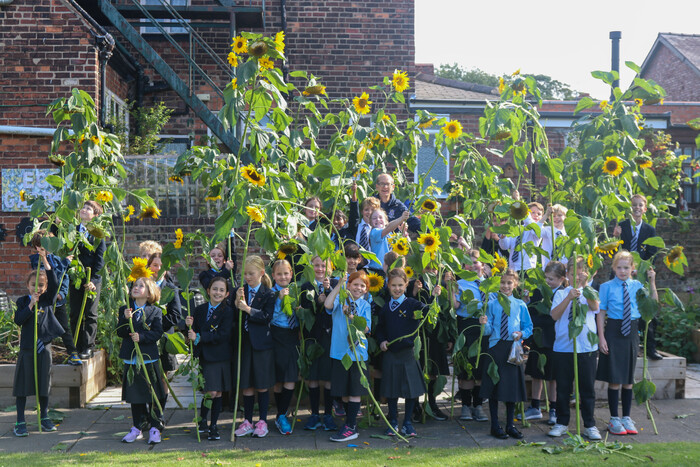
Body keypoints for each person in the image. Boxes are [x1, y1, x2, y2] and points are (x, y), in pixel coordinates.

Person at [596, 250, 657, 436]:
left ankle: (626, 417)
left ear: (633, 269)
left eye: (626, 267)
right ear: (614, 268)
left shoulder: (638, 285)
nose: (623, 271)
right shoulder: (606, 287)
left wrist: (652, 281)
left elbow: (653, 305)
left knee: (628, 380)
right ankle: (614, 419)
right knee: (615, 379)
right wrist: (601, 337)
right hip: (613, 332)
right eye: (619, 267)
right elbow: (601, 312)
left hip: (631, 332)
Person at [377, 268, 438, 437]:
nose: (397, 289)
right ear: (388, 286)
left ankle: (408, 423)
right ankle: (393, 421)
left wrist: (434, 296)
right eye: (393, 285)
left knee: (411, 389)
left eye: (400, 285)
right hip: (391, 353)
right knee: (391, 390)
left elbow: (428, 312)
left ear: (406, 285)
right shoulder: (385, 308)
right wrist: (382, 341)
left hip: (408, 353)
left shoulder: (412, 304)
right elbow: (380, 328)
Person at [548, 257, 602, 440]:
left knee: (587, 388)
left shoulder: (591, 291)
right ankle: (562, 422)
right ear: (566, 276)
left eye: (580, 272)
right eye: (572, 273)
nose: (576, 276)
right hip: (564, 347)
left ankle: (589, 424)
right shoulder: (560, 293)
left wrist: (584, 287)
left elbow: (595, 307)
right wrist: (569, 297)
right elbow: (554, 316)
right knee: (563, 387)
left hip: (586, 347)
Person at [13, 258, 65, 437]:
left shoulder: (47, 301)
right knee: (22, 385)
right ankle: (20, 420)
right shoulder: (22, 301)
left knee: (43, 384)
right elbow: (19, 320)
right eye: (34, 285)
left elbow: (55, 281)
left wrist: (44, 259)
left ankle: (44, 416)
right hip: (27, 349)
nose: (37, 288)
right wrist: (30, 305)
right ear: (27, 285)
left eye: (41, 285)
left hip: (44, 349)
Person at [479, 269, 533, 439]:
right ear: (498, 284)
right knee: (494, 386)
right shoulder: (492, 304)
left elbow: (528, 327)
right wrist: (483, 323)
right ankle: (495, 425)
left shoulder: (520, 305)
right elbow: (488, 331)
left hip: (513, 349)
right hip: (496, 347)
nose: (505, 286)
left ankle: (510, 425)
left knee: (511, 388)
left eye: (509, 283)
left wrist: (521, 334)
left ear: (515, 284)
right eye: (502, 282)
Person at [324, 271, 372, 442]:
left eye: (362, 285)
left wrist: (351, 316)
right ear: (349, 285)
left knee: (354, 391)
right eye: (355, 284)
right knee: (343, 392)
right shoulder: (340, 300)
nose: (358, 288)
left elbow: (366, 329)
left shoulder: (365, 306)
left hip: (357, 355)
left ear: (366, 290)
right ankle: (349, 424)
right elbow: (328, 305)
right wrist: (338, 285)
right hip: (339, 352)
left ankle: (351, 426)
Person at [613, 194, 662, 360]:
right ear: (630, 208)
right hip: (622, 274)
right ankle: (621, 347)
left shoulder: (649, 230)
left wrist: (640, 267)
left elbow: (652, 254)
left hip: (640, 276)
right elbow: (614, 252)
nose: (637, 208)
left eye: (640, 205)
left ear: (645, 209)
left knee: (647, 311)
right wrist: (615, 237)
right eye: (634, 205)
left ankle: (650, 348)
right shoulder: (622, 226)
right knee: (621, 309)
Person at [117, 277, 165, 444]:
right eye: (134, 285)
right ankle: (137, 426)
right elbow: (120, 332)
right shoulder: (125, 309)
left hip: (148, 358)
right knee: (135, 394)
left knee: (153, 392)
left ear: (149, 292)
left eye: (140, 286)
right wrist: (125, 319)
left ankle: (155, 427)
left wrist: (142, 336)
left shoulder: (155, 312)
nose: (136, 288)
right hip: (131, 358)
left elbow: (158, 332)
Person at [233, 256, 276, 439]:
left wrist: (248, 309)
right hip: (244, 343)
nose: (247, 277)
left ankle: (262, 421)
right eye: (245, 274)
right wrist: (236, 304)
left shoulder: (269, 294)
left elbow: (267, 317)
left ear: (261, 273)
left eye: (251, 274)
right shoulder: (239, 291)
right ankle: (247, 421)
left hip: (261, 345)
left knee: (261, 384)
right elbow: (234, 317)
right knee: (247, 384)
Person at [186, 276, 232, 441]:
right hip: (205, 356)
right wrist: (189, 326)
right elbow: (194, 332)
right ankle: (205, 421)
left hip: (220, 356)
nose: (217, 292)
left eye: (221, 290)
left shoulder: (227, 311)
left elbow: (223, 334)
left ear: (227, 294)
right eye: (215, 289)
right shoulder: (200, 310)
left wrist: (199, 337)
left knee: (216, 392)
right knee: (210, 391)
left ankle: (211, 424)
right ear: (208, 291)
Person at [522, 261, 566, 425]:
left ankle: (553, 408)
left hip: (555, 339)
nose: (548, 281)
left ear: (561, 279)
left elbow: (555, 317)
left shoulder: (562, 294)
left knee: (552, 376)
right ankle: (535, 406)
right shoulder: (538, 292)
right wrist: (527, 302)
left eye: (551, 279)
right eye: (546, 278)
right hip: (538, 338)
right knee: (536, 373)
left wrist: (541, 319)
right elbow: (531, 312)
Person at [28, 230, 80, 365]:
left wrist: (62, 294)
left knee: (63, 328)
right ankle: (40, 355)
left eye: (48, 247)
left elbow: (62, 278)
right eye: (41, 247)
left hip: (57, 302)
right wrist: (65, 263)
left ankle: (73, 353)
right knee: (40, 328)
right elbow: (51, 274)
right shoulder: (35, 261)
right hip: (44, 302)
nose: (45, 250)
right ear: (36, 248)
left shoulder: (55, 258)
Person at [408, 265, 451, 422]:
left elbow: (446, 313)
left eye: (435, 269)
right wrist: (415, 292)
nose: (432, 272)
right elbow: (412, 309)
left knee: (433, 371)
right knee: (417, 370)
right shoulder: (415, 284)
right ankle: (415, 407)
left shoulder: (443, 287)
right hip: (419, 334)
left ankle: (432, 404)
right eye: (428, 268)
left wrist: (448, 337)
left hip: (435, 336)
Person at [301, 256, 338, 431]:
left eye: (323, 265)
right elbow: (306, 308)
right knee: (313, 377)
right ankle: (314, 414)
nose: (320, 269)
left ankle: (328, 415)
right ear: (311, 267)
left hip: (329, 336)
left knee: (329, 377)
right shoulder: (306, 286)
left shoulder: (335, 283)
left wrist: (329, 290)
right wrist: (317, 301)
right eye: (316, 265)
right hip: (312, 336)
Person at [452, 249, 489, 422]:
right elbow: (455, 305)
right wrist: (450, 289)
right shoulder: (460, 283)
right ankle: (466, 406)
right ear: (463, 265)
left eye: (475, 262)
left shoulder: (490, 284)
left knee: (481, 368)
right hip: (467, 325)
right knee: (467, 367)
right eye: (468, 262)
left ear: (481, 264)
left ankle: (478, 405)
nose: (472, 265)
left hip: (484, 328)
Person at [70, 200, 106, 360]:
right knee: (75, 313)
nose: (84, 210)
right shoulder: (72, 230)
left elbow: (100, 259)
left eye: (89, 209)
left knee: (90, 314)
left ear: (95, 215)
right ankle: (75, 347)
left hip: (92, 280)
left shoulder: (98, 233)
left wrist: (94, 279)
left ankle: (88, 347)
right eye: (83, 207)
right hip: (76, 277)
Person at [269, 259, 300, 435]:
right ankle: (280, 414)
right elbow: (270, 316)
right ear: (273, 275)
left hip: (292, 335)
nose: (283, 277)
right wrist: (279, 300)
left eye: (286, 273)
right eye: (279, 274)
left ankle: (282, 414)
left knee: (290, 376)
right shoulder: (270, 293)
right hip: (276, 334)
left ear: (291, 274)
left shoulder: (295, 289)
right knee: (279, 378)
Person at [147, 252, 183, 376]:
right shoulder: (142, 286)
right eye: (155, 265)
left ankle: (164, 396)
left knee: (163, 375)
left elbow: (176, 315)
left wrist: (156, 327)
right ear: (149, 266)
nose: (158, 269)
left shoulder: (171, 288)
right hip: (145, 336)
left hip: (165, 336)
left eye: (162, 266)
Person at [540, 204, 569, 268]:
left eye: (559, 215)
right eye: (554, 216)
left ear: (565, 217)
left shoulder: (569, 233)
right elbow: (536, 231)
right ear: (550, 219)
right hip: (548, 269)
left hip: (565, 270)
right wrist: (546, 215)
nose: (556, 218)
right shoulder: (547, 230)